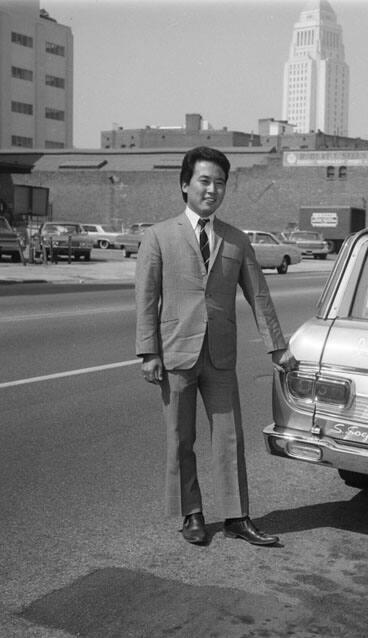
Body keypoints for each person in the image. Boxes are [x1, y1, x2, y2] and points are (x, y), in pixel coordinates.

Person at [135, 146, 286, 546]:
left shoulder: (236, 239)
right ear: (185, 185)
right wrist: (149, 352)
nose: (212, 189)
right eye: (204, 180)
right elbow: (146, 299)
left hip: (219, 355)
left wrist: (277, 347)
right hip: (176, 353)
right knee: (181, 438)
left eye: (220, 183)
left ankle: (237, 516)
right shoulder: (158, 236)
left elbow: (260, 296)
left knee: (230, 436)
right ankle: (192, 514)